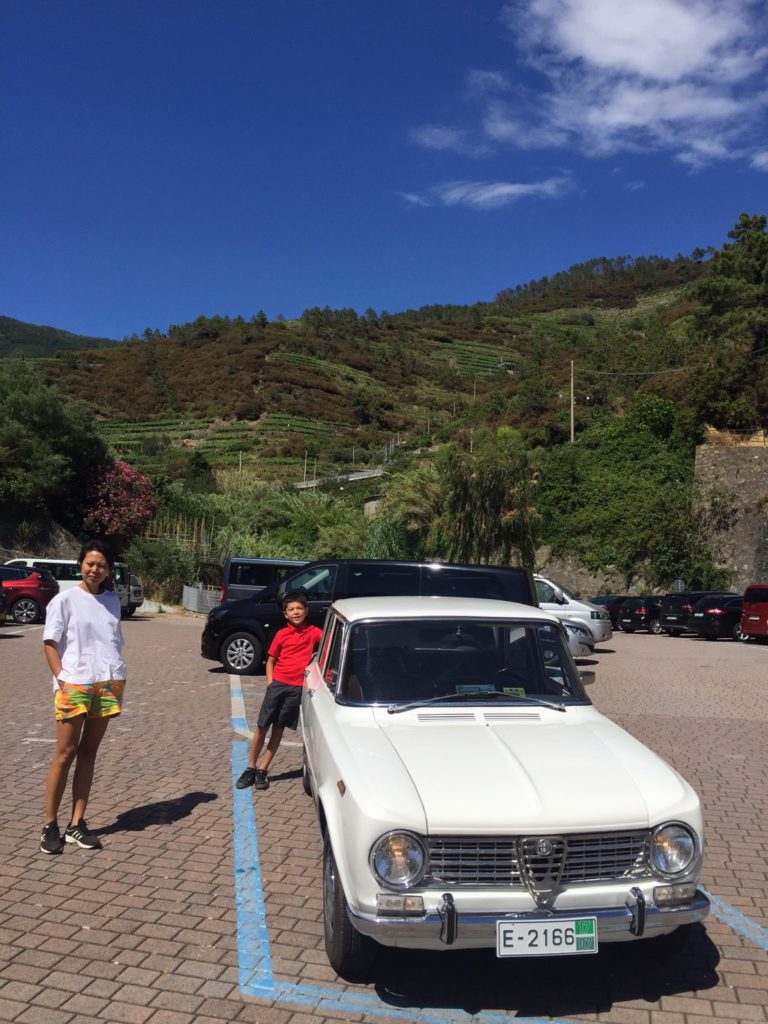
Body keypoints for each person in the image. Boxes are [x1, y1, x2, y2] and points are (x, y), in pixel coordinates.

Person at [40, 539, 126, 854]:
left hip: (107, 683)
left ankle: (77, 823)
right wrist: (63, 679)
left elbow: (113, 642)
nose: (94, 569)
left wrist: (118, 677)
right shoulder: (65, 600)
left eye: (101, 565)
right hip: (74, 684)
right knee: (65, 754)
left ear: (108, 570)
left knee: (89, 753)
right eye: (90, 563)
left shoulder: (112, 601)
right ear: (81, 565)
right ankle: (50, 825)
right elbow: (50, 642)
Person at [236, 591, 321, 791]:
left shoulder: (314, 632)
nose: (296, 612)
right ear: (285, 614)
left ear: (306, 611)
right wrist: (270, 683)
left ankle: (263, 770)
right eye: (291, 609)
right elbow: (271, 661)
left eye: (299, 608)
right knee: (262, 727)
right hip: (278, 685)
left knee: (279, 729)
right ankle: (250, 768)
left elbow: (331, 639)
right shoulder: (281, 635)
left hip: (297, 689)